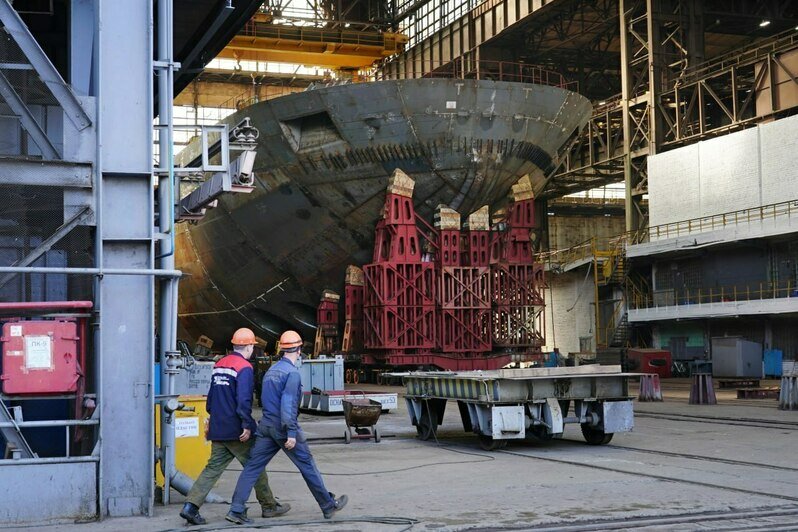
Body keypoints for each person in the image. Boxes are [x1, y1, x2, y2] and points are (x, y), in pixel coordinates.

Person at [225, 330, 348, 524]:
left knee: (252, 467)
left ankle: (236, 509)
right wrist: (291, 432)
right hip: (283, 427)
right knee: (307, 465)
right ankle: (327, 505)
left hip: (266, 427)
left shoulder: (271, 371)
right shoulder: (291, 374)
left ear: (282, 349)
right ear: (299, 350)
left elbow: (264, 400)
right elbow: (288, 404)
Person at [179, 328, 290, 525]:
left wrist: (213, 422)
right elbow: (244, 401)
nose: (252, 350)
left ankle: (190, 506)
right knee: (255, 466)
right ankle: (268, 506)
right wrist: (247, 425)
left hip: (218, 427)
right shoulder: (244, 368)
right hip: (237, 429)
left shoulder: (219, 364)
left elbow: (211, 399)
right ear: (248, 346)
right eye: (252, 347)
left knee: (212, 469)